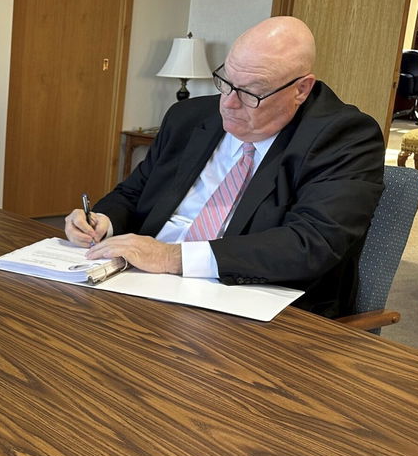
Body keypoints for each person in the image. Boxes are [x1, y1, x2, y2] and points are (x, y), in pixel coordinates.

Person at [64, 16, 385, 318]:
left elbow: (310, 243)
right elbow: (135, 193)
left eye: (250, 93)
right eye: (226, 82)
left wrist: (171, 257)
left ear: (301, 89)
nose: (228, 103)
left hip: (253, 306)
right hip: (138, 285)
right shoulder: (188, 118)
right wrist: (102, 221)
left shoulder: (345, 138)